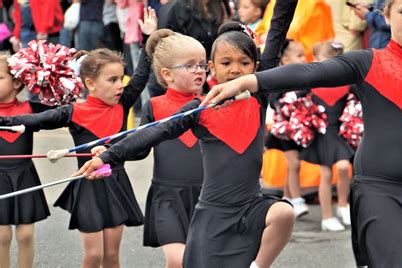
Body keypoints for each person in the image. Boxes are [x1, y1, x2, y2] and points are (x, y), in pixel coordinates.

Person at [204, 0, 402, 266]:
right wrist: (248, 82)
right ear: (387, 15)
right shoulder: (367, 62)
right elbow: (310, 73)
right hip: (378, 192)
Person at [76, 1, 297, 267]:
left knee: (284, 212)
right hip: (212, 213)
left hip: (250, 207)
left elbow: (277, 28)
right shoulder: (200, 107)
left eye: (245, 62)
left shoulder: (258, 97)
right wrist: (108, 156)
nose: (236, 69)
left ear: (256, 67)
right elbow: (155, 133)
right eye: (226, 62)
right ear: (212, 70)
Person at [0, 8, 156, 267]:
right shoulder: (74, 111)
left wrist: (148, 37)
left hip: (116, 183)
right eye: (113, 79)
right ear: (91, 84)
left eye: (121, 79)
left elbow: (140, 77)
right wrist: (5, 121)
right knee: (93, 255)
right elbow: (36, 120)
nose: (120, 85)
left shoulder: (123, 103)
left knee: (111, 256)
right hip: (88, 186)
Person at [133, 29, 206, 268]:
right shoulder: (153, 106)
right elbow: (139, 148)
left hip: (207, 195)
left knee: (197, 260)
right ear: (167, 75)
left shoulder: (212, 102)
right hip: (167, 196)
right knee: (178, 258)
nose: (199, 70)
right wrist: (109, 153)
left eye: (202, 65)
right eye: (190, 65)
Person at [0, 55, 51, 268]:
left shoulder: (30, 109)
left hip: (24, 175)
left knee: (26, 234)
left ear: (17, 82)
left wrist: (51, 83)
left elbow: (62, 112)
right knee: (1, 236)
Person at [302, 40, 353, 231]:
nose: (316, 64)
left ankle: (342, 204)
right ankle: (326, 217)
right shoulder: (311, 83)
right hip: (322, 133)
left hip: (340, 133)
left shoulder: (347, 84)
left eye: (321, 61)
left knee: (343, 167)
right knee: (325, 173)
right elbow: (292, 97)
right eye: (316, 60)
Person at [265, 39, 309, 218]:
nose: (304, 59)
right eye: (299, 56)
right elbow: (274, 100)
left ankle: (287, 197)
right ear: (285, 59)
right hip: (284, 130)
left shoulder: (303, 78)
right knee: (294, 163)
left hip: (297, 129)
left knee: (294, 165)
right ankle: (297, 199)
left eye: (303, 54)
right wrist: (288, 104)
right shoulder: (282, 78)